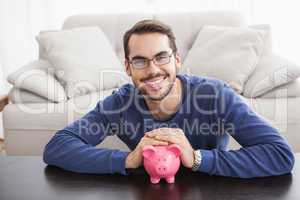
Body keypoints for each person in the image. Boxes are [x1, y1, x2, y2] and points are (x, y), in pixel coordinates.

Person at [43, 19, 294, 178]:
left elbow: (280, 155)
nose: (153, 70)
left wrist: (196, 158)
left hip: (211, 190)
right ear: (128, 68)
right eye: (140, 60)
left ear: (177, 60)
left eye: (161, 57)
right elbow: (57, 148)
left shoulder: (215, 96)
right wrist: (128, 160)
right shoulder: (120, 103)